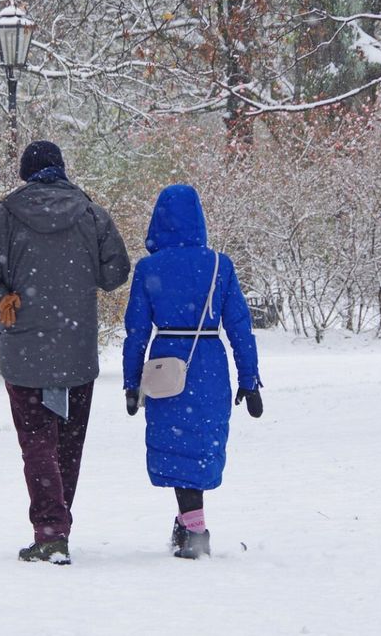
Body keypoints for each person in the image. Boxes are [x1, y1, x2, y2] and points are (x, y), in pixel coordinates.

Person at [0, 140, 131, 565]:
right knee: (68, 444)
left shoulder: (4, 216)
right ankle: (57, 527)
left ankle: (51, 531)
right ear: (62, 169)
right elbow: (116, 273)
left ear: (24, 173)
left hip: (24, 350)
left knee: (36, 443)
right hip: (76, 350)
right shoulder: (91, 214)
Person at [122, 183, 263, 560]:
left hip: (167, 363)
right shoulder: (220, 264)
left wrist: (131, 382)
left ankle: (194, 529)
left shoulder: (149, 268)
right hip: (209, 365)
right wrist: (249, 379)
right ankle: (188, 523)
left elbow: (136, 330)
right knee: (199, 444)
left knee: (176, 445)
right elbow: (239, 326)